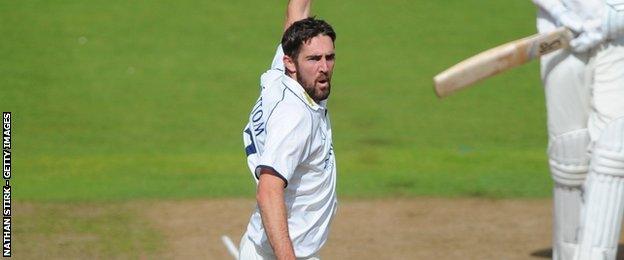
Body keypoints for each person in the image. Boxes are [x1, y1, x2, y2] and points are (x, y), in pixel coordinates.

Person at [239, 0, 338, 259]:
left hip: (271, 246)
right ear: (291, 63)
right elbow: (268, 191)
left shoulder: (279, 75)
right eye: (314, 59)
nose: (324, 68)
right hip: (281, 254)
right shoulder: (295, 119)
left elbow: (297, 11)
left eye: (329, 57)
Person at [532, 0, 624, 259]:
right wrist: (560, 10)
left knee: (613, 155)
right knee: (568, 154)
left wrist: (616, 17)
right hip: (559, 29)